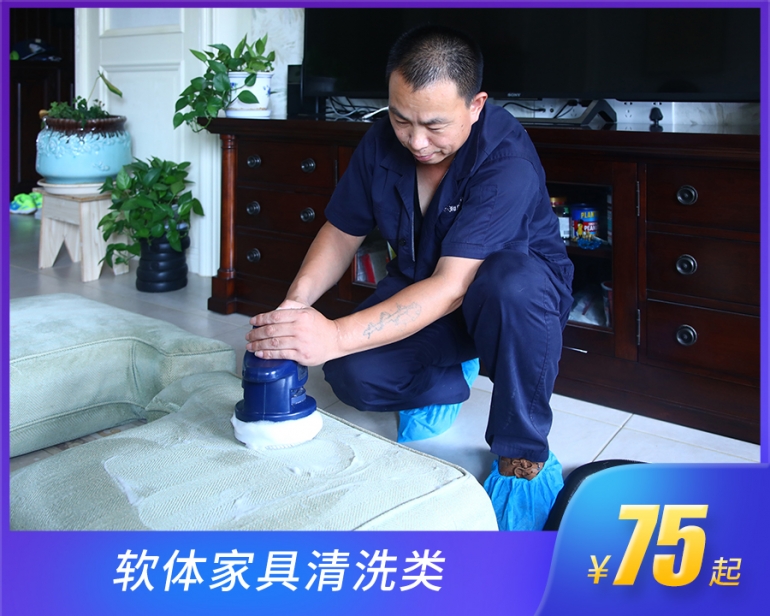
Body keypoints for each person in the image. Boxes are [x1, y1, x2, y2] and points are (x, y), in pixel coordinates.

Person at [245, 25, 574, 531]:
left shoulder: (505, 160)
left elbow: (453, 285)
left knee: (510, 284)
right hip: (425, 288)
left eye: (434, 126)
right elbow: (341, 231)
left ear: (476, 105)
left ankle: (523, 455)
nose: (416, 141)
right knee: (350, 374)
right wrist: (296, 307)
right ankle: (448, 381)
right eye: (401, 119)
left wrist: (334, 333)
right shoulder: (381, 142)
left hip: (510, 298)